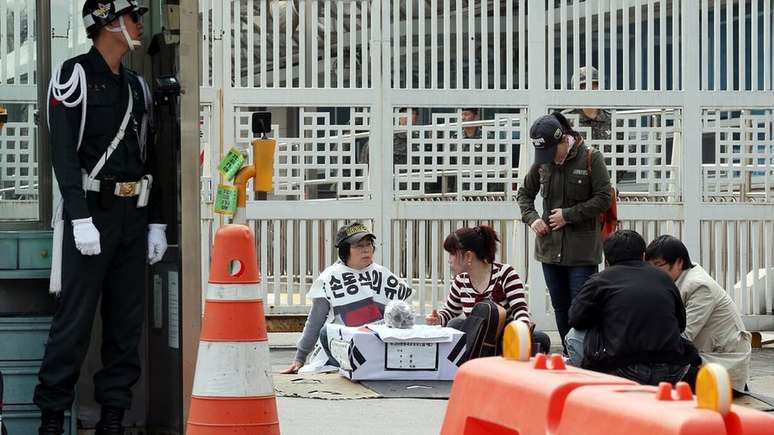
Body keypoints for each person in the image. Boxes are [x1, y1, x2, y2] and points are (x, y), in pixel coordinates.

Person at [35, 2, 167, 434]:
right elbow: (63, 156)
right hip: (91, 215)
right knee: (73, 323)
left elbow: (151, 156)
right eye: (133, 18)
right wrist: (78, 217)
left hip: (133, 214)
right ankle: (52, 420)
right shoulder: (73, 77)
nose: (139, 25)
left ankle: (113, 419)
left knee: (125, 325)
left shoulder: (136, 86)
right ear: (110, 24)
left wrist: (157, 221)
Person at [516, 112, 612, 349]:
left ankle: (586, 353)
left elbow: (603, 199)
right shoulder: (542, 163)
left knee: (581, 306)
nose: (549, 158)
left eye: (551, 151)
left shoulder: (591, 158)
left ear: (563, 140)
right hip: (550, 249)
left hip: (582, 251)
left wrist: (568, 215)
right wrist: (532, 219)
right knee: (560, 306)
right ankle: (571, 354)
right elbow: (524, 195)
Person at [565, 230, 701, 386]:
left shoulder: (600, 280)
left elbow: (575, 319)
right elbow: (681, 324)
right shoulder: (664, 278)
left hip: (624, 370)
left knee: (573, 336)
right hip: (672, 371)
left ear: (607, 260)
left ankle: (595, 389)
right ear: (643, 256)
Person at [282, 223, 413, 374]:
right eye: (358, 246)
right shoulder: (330, 277)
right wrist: (300, 357)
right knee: (326, 331)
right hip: (342, 346)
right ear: (345, 251)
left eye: (369, 244)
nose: (365, 250)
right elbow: (315, 320)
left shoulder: (383, 275)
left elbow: (403, 317)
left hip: (379, 345)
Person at [425, 225, 551, 360]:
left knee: (540, 338)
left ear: (468, 256)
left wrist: (523, 329)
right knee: (453, 325)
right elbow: (449, 312)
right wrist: (437, 319)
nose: (449, 260)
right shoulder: (460, 281)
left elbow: (520, 309)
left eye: (452, 254)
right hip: (477, 341)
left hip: (505, 340)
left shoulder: (505, 273)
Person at [645, 235, 752, 392]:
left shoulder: (700, 287)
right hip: (703, 358)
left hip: (722, 367)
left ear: (679, 263)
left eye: (658, 265)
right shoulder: (678, 278)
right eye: (649, 266)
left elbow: (685, 335)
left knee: (655, 374)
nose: (652, 272)